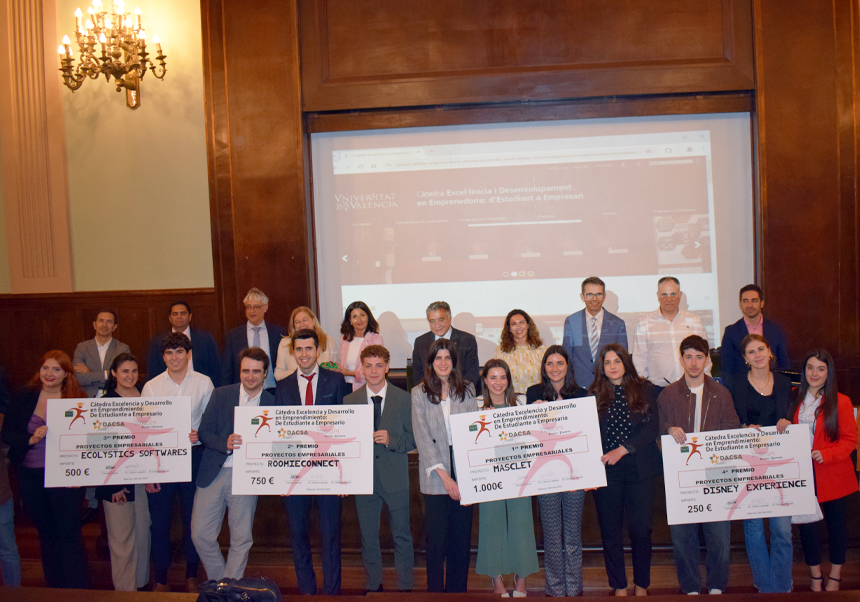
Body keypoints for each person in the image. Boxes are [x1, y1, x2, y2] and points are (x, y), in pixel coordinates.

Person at [0, 351, 89, 588]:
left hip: (66, 477)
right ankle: (55, 587)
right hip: (31, 476)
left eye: (57, 369)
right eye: (45, 368)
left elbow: (87, 441)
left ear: (66, 374)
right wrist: (30, 439)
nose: (49, 374)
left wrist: (80, 472)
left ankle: (78, 590)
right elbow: (7, 433)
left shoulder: (77, 399)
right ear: (39, 370)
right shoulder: (24, 397)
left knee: (69, 533)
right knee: (46, 533)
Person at [658, 335, 739, 595]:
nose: (694, 363)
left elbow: (732, 430)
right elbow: (657, 432)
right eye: (688, 356)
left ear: (707, 360)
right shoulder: (668, 395)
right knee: (683, 538)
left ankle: (717, 585)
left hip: (716, 473)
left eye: (699, 357)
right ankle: (690, 587)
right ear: (681, 359)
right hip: (681, 475)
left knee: (719, 537)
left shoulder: (721, 393)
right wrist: (669, 429)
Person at [275, 328, 351, 595]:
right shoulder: (282, 387)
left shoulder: (336, 381)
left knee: (331, 536)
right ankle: (307, 591)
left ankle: (332, 592)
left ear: (318, 351)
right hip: (295, 475)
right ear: (292, 352)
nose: (304, 354)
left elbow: (346, 427)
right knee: (298, 535)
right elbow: (278, 434)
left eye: (309, 349)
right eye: (299, 349)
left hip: (329, 471)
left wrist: (346, 477)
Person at [193, 347, 274, 581]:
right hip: (215, 471)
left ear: (265, 373)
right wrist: (224, 443)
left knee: (241, 538)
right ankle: (223, 582)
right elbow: (204, 432)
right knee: (200, 534)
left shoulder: (273, 402)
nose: (250, 376)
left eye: (256, 371)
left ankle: (228, 587)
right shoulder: (221, 395)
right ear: (239, 371)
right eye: (245, 371)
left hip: (248, 476)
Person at [141, 332, 215, 593]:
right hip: (160, 461)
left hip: (194, 457)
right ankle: (161, 579)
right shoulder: (151, 387)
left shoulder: (204, 383)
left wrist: (201, 433)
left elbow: (210, 421)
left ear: (188, 354)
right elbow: (145, 432)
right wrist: (150, 472)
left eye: (179, 352)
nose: (174, 357)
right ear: (163, 357)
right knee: (159, 523)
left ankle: (191, 575)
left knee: (191, 521)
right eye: (169, 353)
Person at [779, 349, 858, 592]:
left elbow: (850, 440)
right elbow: (784, 428)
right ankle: (815, 575)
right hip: (803, 473)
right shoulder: (792, 397)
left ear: (828, 373)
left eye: (821, 369)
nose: (814, 373)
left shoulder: (841, 401)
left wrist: (826, 454)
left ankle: (835, 575)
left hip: (832, 471)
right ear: (803, 371)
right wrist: (783, 423)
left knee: (837, 526)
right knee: (807, 525)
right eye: (810, 368)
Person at [589, 344, 660, 597]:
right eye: (607, 362)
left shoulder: (645, 388)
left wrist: (624, 449)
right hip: (607, 471)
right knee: (610, 531)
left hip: (639, 468)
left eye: (617, 361)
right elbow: (585, 434)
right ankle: (619, 585)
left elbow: (652, 429)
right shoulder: (594, 395)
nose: (612, 366)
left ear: (626, 363)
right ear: (602, 368)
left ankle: (641, 585)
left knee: (641, 530)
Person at [344, 345, 415, 593]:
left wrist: (392, 439)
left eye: (378, 365)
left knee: (402, 535)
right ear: (361, 368)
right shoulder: (349, 401)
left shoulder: (404, 398)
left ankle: (405, 585)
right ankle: (374, 584)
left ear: (387, 366)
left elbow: (414, 439)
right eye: (368, 365)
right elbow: (345, 446)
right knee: (368, 537)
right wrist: (346, 481)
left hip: (395, 477)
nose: (373, 371)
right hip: (364, 480)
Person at [726, 334, 793, 593]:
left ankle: (782, 586)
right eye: (751, 352)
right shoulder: (733, 384)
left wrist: (787, 421)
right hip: (749, 464)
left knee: (782, 530)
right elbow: (730, 421)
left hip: (779, 465)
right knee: (753, 528)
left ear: (770, 352)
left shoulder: (786, 383)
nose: (758, 355)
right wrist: (743, 427)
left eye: (761, 349)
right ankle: (765, 588)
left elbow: (790, 415)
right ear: (745, 358)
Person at [412, 338, 477, 593]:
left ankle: (457, 595)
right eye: (438, 358)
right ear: (431, 362)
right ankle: (436, 595)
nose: (443, 363)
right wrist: (446, 478)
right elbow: (423, 438)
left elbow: (473, 434)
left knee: (460, 543)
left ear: (454, 362)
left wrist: (465, 478)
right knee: (436, 544)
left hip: (465, 472)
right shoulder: (419, 393)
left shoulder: (469, 390)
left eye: (447, 358)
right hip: (434, 473)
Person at [525, 346, 588, 597]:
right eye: (550, 364)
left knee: (572, 534)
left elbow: (586, 434)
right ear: (544, 368)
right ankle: (555, 587)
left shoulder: (582, 395)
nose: (555, 368)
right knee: (551, 536)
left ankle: (573, 587)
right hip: (546, 474)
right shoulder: (533, 393)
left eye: (560, 363)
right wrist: (533, 412)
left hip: (574, 474)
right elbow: (528, 436)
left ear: (567, 366)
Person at [476, 359, 538, 597]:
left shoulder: (521, 402)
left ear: (509, 380)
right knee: (491, 524)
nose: (498, 383)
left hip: (518, 474)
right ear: (485, 380)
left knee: (522, 524)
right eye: (493, 377)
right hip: (489, 477)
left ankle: (521, 577)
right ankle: (496, 577)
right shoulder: (476, 406)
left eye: (503, 377)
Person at [96, 353, 151, 592]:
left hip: (144, 480)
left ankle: (140, 585)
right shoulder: (105, 402)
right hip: (116, 482)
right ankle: (125, 592)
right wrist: (112, 486)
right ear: (114, 374)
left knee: (142, 533)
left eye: (134, 371)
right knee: (121, 539)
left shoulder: (147, 398)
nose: (130, 376)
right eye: (124, 371)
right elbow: (101, 447)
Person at [633, 277, 709, 392]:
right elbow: (639, 360)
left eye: (673, 294)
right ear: (658, 295)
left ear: (680, 295)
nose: (669, 299)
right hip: (657, 390)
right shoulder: (645, 323)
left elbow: (704, 355)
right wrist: (644, 389)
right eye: (664, 295)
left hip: (691, 387)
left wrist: (707, 383)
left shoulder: (694, 321)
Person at [720, 285, 790, 388]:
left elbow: (784, 364)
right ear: (740, 304)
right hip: (743, 391)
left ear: (762, 303)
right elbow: (726, 370)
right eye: (745, 301)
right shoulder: (731, 332)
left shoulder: (776, 330)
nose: (749, 305)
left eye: (754, 300)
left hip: (772, 389)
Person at [563, 277, 628, 386]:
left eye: (598, 294)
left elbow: (622, 359)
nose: (594, 299)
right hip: (579, 386)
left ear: (604, 296)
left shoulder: (618, 324)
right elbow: (567, 357)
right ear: (582, 297)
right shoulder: (572, 321)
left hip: (609, 385)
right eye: (589, 294)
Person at [221, 288, 286, 393]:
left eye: (256, 307)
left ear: (265, 307)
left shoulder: (278, 333)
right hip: (244, 392)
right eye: (248, 307)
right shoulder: (234, 335)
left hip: (272, 391)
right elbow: (227, 370)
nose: (251, 311)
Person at [412, 301, 480, 394]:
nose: (437, 325)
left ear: (450, 318)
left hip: (460, 396)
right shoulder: (420, 342)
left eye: (441, 320)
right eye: (432, 321)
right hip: (429, 398)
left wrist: (454, 394)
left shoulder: (467, 340)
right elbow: (417, 375)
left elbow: (472, 374)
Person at [147, 301, 221, 386]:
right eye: (175, 314)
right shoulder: (157, 341)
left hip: (199, 387)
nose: (179, 317)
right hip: (167, 388)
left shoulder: (204, 338)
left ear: (190, 317)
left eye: (183, 313)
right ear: (169, 318)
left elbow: (215, 368)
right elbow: (153, 371)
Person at [73, 309, 131, 397]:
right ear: (94, 325)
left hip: (113, 398)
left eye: (109, 321)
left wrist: (90, 374)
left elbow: (124, 377)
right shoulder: (82, 348)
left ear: (114, 327)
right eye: (101, 320)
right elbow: (78, 378)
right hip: (87, 398)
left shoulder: (122, 349)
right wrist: (107, 374)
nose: (104, 325)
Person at [492, 309, 547, 394]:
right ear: (509, 328)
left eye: (521, 322)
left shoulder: (542, 350)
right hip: (511, 402)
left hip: (537, 402)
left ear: (528, 325)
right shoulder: (501, 351)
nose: (518, 327)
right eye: (514, 324)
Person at [274, 306, 333, 380]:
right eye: (297, 322)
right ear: (294, 326)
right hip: (294, 388)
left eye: (305, 320)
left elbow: (336, 370)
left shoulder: (329, 341)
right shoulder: (285, 343)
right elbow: (278, 374)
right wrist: (303, 372)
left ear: (313, 321)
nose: (301, 324)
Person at [337, 301, 384, 391]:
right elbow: (344, 363)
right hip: (345, 386)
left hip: (366, 388)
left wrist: (350, 373)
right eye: (354, 316)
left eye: (362, 315)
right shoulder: (344, 339)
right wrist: (336, 367)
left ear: (368, 318)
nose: (359, 320)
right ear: (350, 320)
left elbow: (376, 369)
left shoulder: (376, 339)